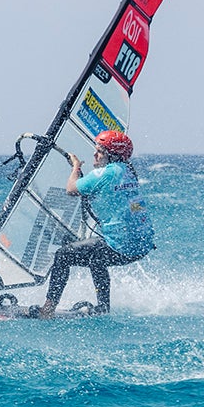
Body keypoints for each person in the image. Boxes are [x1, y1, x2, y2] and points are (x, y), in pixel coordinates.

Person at [30, 129, 154, 318]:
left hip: (120, 246)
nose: (95, 155)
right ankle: (103, 308)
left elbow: (71, 189)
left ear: (111, 156)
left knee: (63, 255)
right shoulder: (128, 171)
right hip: (141, 245)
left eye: (100, 152)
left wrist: (75, 167)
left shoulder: (106, 173)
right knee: (97, 258)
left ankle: (47, 310)